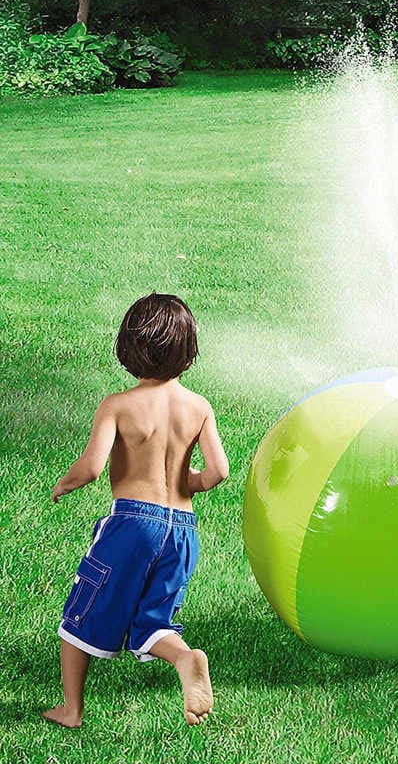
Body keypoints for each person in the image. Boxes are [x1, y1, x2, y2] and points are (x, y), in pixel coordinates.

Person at [43, 292, 229, 728]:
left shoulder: (118, 405)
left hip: (131, 523)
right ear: (188, 354)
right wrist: (190, 483)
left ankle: (71, 710)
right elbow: (218, 471)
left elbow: (91, 468)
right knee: (154, 622)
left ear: (130, 347)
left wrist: (63, 485)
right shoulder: (199, 408)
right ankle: (184, 659)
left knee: (82, 613)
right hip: (182, 530)